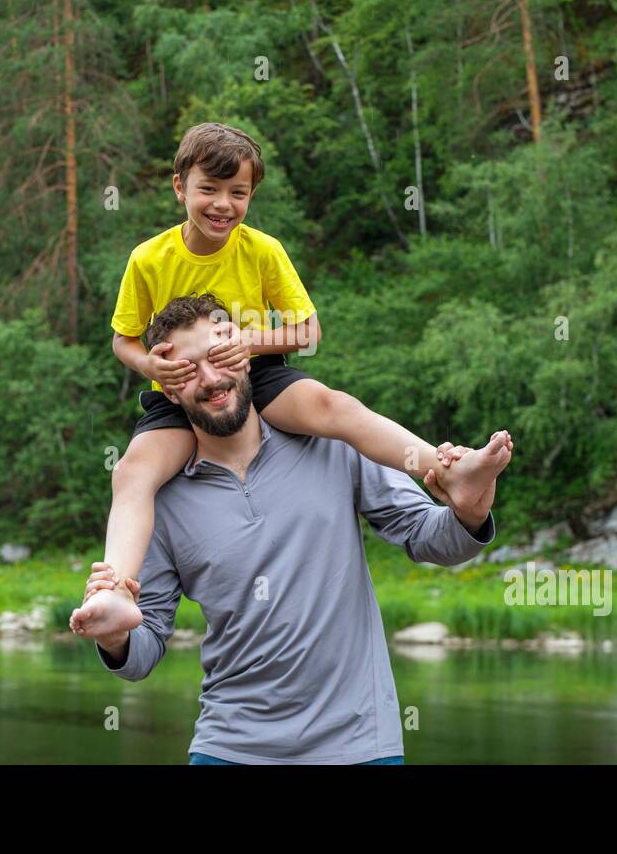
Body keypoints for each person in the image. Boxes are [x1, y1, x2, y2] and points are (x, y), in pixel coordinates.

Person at [70, 122, 511, 639]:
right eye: (208, 189)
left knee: (335, 406)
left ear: (252, 195)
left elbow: (307, 330)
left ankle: (448, 469)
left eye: (238, 193)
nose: (222, 205)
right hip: (180, 388)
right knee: (131, 473)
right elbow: (123, 340)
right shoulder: (149, 258)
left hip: (260, 372)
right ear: (179, 187)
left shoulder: (262, 250)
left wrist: (248, 344)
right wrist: (151, 366)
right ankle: (117, 590)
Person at [74, 294, 512, 764]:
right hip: (229, 749)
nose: (211, 378)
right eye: (188, 369)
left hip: (360, 746)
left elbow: (426, 534)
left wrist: (469, 513)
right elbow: (145, 648)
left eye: (219, 356)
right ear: (170, 389)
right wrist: (115, 639)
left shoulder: (332, 441)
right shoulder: (159, 499)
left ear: (245, 357)